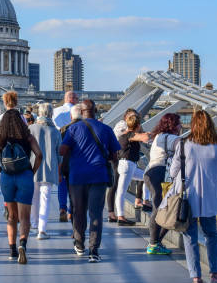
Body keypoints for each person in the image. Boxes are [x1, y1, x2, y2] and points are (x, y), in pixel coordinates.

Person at [167, 110, 217, 283]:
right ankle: (215, 276)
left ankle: (196, 279)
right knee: (212, 235)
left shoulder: (184, 144)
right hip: (210, 198)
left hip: (188, 198)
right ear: (211, 125)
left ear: (192, 125)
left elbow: (173, 172)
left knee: (190, 237)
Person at [59, 99, 119, 262]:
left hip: (77, 176)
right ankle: (94, 251)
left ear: (82, 111)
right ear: (95, 110)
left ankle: (79, 244)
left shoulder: (73, 129)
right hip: (98, 176)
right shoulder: (106, 129)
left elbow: (62, 150)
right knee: (96, 213)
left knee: (78, 211)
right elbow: (115, 155)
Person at [0, 91, 42, 264]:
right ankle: (22, 245)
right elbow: (39, 155)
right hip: (24, 175)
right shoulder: (27, 136)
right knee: (25, 217)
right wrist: (31, 171)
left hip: (7, 177)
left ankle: (11, 250)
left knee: (12, 216)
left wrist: (1, 169)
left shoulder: (0, 138)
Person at [144, 113, 182, 255]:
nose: (181, 126)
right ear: (173, 125)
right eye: (179, 123)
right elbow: (186, 151)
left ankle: (156, 242)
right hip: (161, 174)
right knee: (167, 207)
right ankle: (154, 243)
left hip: (150, 173)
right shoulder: (174, 138)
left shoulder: (158, 137)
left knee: (162, 207)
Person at [28, 103, 61, 240]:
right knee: (45, 199)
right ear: (51, 114)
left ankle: (34, 224)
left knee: (33, 198)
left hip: (32, 167)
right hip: (49, 168)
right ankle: (42, 230)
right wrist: (59, 171)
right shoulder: (56, 131)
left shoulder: (31, 128)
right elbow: (59, 155)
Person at [115, 112, 150, 226]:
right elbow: (145, 137)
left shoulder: (126, 134)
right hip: (127, 164)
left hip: (129, 165)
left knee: (146, 177)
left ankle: (146, 200)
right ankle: (120, 217)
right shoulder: (130, 135)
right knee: (121, 191)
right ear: (138, 125)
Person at [53, 91, 78, 222]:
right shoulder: (80, 113)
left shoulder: (55, 111)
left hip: (61, 150)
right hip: (76, 153)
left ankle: (62, 208)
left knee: (61, 181)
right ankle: (71, 210)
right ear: (73, 99)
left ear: (65, 99)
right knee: (74, 182)